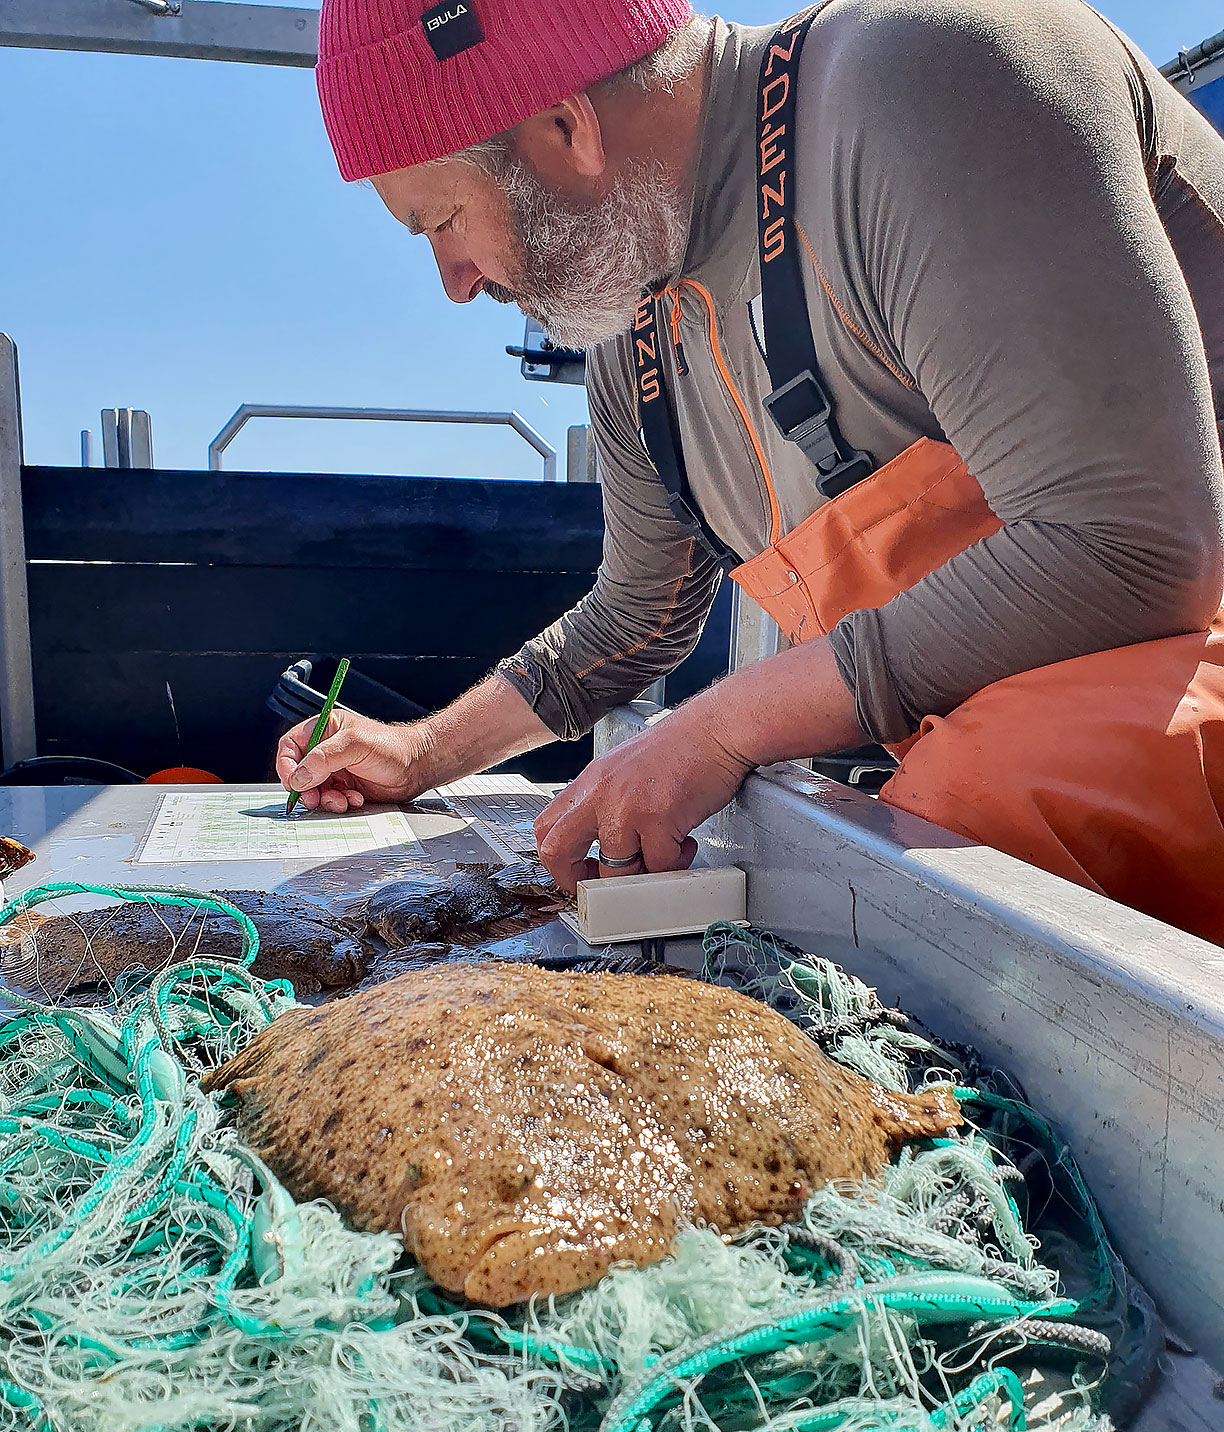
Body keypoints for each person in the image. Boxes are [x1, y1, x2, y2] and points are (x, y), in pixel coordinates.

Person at [277, 0, 1224, 942]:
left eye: (440, 221)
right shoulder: (631, 341)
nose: (455, 281)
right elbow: (634, 620)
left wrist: (721, 727)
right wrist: (422, 751)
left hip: (1173, 662)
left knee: (967, 804)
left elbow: (1130, 544)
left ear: (566, 126)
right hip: (1029, 724)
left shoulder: (927, 75)